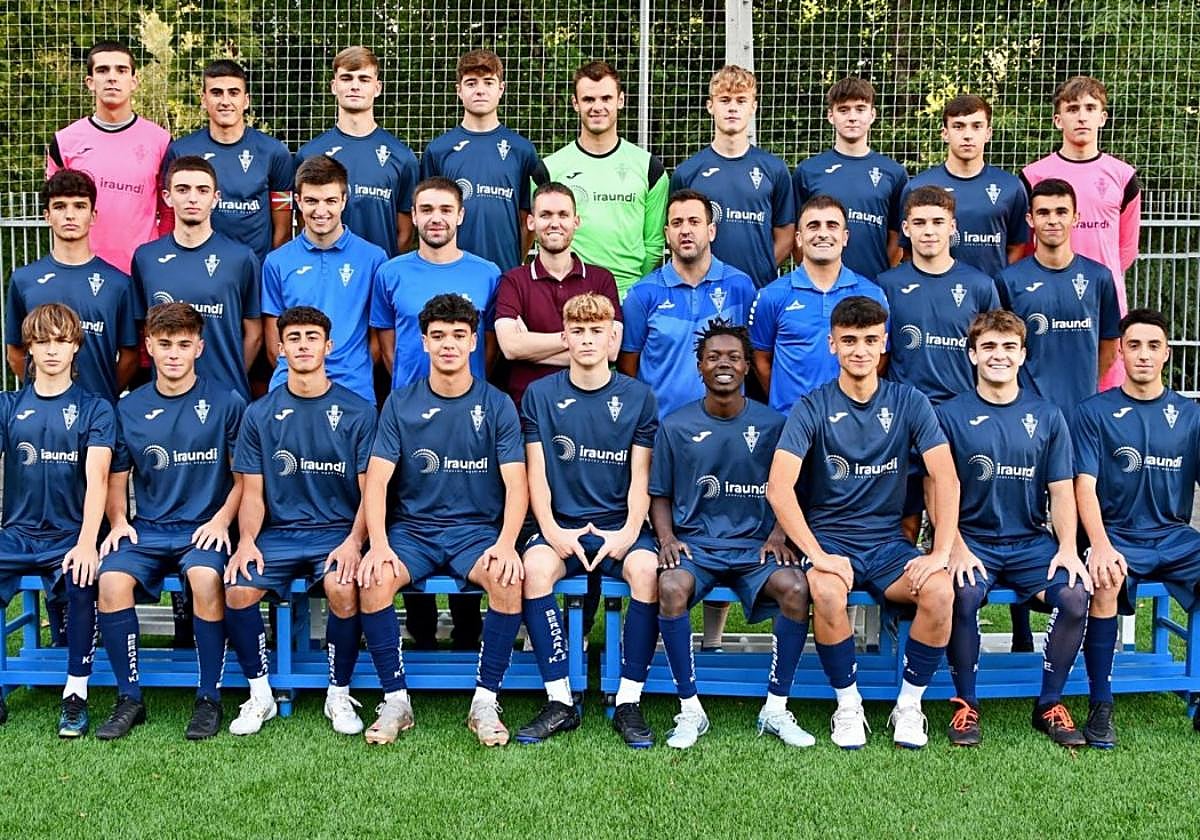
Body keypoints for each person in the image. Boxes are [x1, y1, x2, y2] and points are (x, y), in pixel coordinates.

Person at [766, 296, 959, 749]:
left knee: (939, 591)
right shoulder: (811, 406)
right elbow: (779, 487)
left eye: (870, 340)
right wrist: (817, 555)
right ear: (832, 344)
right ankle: (848, 704)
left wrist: (940, 553)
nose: (860, 350)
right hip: (832, 541)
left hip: (888, 544)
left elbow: (945, 476)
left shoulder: (909, 401)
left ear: (884, 343)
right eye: (849, 340)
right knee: (826, 591)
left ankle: (908, 705)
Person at [354, 294, 527, 746]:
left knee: (508, 579)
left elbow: (517, 484)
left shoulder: (497, 404)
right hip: (414, 532)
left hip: (476, 533)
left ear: (473, 342)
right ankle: (396, 700)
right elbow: (377, 482)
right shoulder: (400, 403)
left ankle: (485, 701)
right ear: (424, 342)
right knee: (374, 579)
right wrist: (379, 544)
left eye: (458, 335)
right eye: (438, 335)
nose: (448, 344)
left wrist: (506, 543)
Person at [652, 319, 813, 749]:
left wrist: (779, 535)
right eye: (713, 357)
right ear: (699, 366)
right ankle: (690, 709)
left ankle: (776, 707)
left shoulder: (774, 424)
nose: (723, 364)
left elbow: (789, 489)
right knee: (670, 585)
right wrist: (666, 539)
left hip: (754, 549)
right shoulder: (676, 425)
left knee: (796, 587)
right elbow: (660, 494)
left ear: (746, 367)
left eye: (733, 357)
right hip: (698, 547)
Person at [937, 310, 1090, 748]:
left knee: (1075, 595)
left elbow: (1061, 490)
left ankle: (1049, 704)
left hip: (1030, 543)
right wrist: (955, 546)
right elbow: (936, 488)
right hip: (973, 541)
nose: (998, 355)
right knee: (963, 595)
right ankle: (966, 704)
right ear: (972, 354)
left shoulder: (1047, 415)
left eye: (1008, 347)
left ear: (1023, 354)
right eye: (988, 347)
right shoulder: (948, 415)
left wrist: (1066, 547)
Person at [222, 306, 376, 736]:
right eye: (294, 338)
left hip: (337, 532)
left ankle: (338, 693)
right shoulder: (259, 414)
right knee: (237, 588)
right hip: (281, 534)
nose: (303, 345)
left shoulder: (359, 411)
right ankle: (260, 695)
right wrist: (247, 541)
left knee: (342, 587)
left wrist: (354, 542)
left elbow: (371, 493)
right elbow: (252, 493)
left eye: (312, 337)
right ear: (280, 348)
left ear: (329, 346)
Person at [94, 302, 245, 741]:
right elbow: (117, 478)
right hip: (149, 528)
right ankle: (129, 698)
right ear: (149, 348)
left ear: (199, 347)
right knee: (111, 579)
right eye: (164, 344)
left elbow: (245, 479)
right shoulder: (129, 408)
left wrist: (222, 521)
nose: (174, 354)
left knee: (203, 576)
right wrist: (118, 521)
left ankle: (209, 697)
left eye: (183, 344)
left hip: (204, 528)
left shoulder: (226, 402)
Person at [516, 293, 660, 748]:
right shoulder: (540, 395)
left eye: (597, 330)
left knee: (646, 570)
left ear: (613, 336)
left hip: (619, 525)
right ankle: (560, 700)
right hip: (561, 524)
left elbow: (641, 477)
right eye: (577, 331)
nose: (587, 339)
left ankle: (628, 701)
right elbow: (537, 473)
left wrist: (629, 532)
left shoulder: (638, 396)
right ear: (564, 336)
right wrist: (552, 530)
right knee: (535, 569)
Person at [1073, 308, 1200, 749]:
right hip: (1118, 535)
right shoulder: (1094, 412)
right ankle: (1101, 705)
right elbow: (1083, 486)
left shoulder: (1190, 414)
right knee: (1106, 580)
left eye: (1153, 346)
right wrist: (1100, 545)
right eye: (1134, 345)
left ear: (1166, 354)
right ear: (1121, 352)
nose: (1143, 354)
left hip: (1174, 536)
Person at [0, 304, 115, 736]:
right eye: (42, 341)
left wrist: (87, 543)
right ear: (28, 348)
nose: (52, 350)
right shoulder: (8, 406)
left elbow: (98, 479)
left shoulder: (95, 409)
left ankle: (75, 694)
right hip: (17, 533)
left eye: (61, 341)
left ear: (75, 347)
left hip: (70, 533)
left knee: (83, 579)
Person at [1021, 75, 1140, 389]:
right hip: (1045, 296)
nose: (1082, 116)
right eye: (1073, 109)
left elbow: (1126, 248)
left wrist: (1099, 281)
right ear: (1058, 120)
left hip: (1101, 300)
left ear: (1103, 117)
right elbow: (1025, 246)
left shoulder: (1123, 176)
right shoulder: (1033, 176)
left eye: (1090, 108)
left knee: (1104, 387)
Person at [131, 156, 263, 402]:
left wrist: (231, 381)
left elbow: (254, 333)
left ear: (216, 198)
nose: (192, 198)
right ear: (167, 197)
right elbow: (143, 329)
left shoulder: (241, 258)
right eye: (183, 189)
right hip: (167, 396)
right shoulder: (146, 258)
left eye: (202, 190)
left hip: (225, 397)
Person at [619, 189, 758, 419]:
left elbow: (753, 356)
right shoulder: (642, 293)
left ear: (711, 231)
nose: (685, 230)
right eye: (677, 223)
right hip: (661, 429)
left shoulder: (740, 286)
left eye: (694, 222)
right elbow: (627, 366)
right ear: (667, 234)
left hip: (726, 426)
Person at [535, 61, 668, 297]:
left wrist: (633, 292)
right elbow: (541, 237)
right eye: (588, 99)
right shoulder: (549, 169)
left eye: (606, 98)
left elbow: (654, 245)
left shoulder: (650, 169)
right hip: (567, 297)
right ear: (575, 103)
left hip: (628, 297)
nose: (597, 107)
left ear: (621, 100)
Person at [261, 156, 387, 403]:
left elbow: (378, 339)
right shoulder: (276, 262)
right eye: (311, 201)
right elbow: (273, 342)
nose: (321, 211)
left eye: (330, 201)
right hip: (290, 388)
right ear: (298, 201)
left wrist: (351, 369)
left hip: (353, 388)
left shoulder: (373, 258)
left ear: (344, 201)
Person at [7, 169, 138, 402]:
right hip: (41, 413)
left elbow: (130, 357)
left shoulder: (118, 283)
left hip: (98, 413)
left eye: (79, 206)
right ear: (47, 216)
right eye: (60, 207)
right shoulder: (24, 280)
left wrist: (102, 399)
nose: (70, 215)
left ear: (93, 215)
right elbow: (15, 353)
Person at [749, 195, 888, 415]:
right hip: (789, 423)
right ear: (799, 238)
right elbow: (760, 361)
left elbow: (880, 357)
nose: (822, 233)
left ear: (845, 237)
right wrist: (788, 408)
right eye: (813, 226)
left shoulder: (872, 294)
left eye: (832, 225)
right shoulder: (771, 295)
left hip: (851, 421)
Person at [996, 178, 1120, 420]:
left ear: (1076, 218)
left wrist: (1085, 389)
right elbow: (1000, 347)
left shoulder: (1099, 277)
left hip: (1082, 413)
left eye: (1061, 212)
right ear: (1030, 219)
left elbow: (1109, 345)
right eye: (1043, 213)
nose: (1053, 220)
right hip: (1027, 413)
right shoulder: (1008, 281)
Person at [494, 181, 622, 410]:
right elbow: (510, 347)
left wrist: (530, 348)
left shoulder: (602, 280)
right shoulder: (513, 280)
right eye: (545, 215)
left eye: (563, 215)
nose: (555, 223)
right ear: (531, 222)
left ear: (576, 222)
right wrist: (585, 344)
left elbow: (610, 352)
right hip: (529, 409)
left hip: (589, 407)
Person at [46, 40, 170, 273]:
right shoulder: (64, 142)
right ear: (90, 82)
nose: (112, 78)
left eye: (121, 70)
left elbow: (169, 211)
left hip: (140, 273)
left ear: (134, 81)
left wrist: (161, 261)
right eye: (103, 70)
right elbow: (56, 210)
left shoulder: (161, 141)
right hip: (81, 271)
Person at [670, 65, 795, 289]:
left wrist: (760, 270)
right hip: (702, 290)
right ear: (710, 106)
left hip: (757, 288)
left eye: (741, 100)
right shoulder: (688, 172)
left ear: (753, 107)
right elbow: (676, 232)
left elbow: (786, 234)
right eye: (725, 100)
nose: (733, 108)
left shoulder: (774, 169)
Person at [370, 177, 501, 390]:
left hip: (469, 400)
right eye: (427, 210)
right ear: (414, 215)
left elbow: (490, 347)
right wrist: (410, 391)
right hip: (409, 399)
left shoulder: (488, 274)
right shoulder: (389, 273)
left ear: (460, 215)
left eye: (446, 210)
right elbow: (387, 347)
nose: (436, 218)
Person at [876, 185, 1000, 406]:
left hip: (962, 410)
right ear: (906, 228)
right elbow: (877, 353)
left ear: (952, 227)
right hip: (903, 408)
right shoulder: (886, 285)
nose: (929, 231)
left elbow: (993, 353)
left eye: (938, 222)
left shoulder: (980, 285)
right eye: (919, 223)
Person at [419, 49, 540, 272]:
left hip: (504, 273)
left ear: (501, 89)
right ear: (459, 90)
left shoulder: (522, 150)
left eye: (488, 82)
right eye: (471, 83)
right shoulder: (438, 150)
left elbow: (527, 220)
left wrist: (512, 262)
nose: (480, 90)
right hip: (450, 272)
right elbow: (426, 216)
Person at [161, 59, 294, 261]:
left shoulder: (275, 152)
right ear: (203, 99)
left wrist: (270, 269)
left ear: (246, 100)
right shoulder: (181, 151)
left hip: (255, 269)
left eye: (233, 93)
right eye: (216, 93)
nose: (225, 101)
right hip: (195, 266)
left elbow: (283, 230)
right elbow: (170, 218)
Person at [296, 46, 418, 258]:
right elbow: (303, 222)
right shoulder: (310, 154)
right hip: (325, 272)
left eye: (364, 79)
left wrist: (381, 267)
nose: (354, 86)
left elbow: (405, 233)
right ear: (334, 86)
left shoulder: (402, 156)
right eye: (346, 78)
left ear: (377, 88)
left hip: (379, 273)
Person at [900, 95, 1028, 279]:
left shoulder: (1011, 186)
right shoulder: (918, 187)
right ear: (945, 133)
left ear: (988, 133)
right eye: (958, 126)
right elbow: (907, 251)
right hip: (934, 291)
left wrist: (996, 285)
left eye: (976, 126)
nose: (968, 135)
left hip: (991, 295)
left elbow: (1017, 246)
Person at [792, 77, 907, 280]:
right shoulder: (808, 171)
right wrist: (816, 275)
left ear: (872, 115)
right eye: (843, 110)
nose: (852, 117)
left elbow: (897, 237)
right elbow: (796, 234)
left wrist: (878, 278)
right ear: (831, 116)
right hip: (820, 286)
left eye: (860, 109)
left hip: (872, 285)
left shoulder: (894, 173)